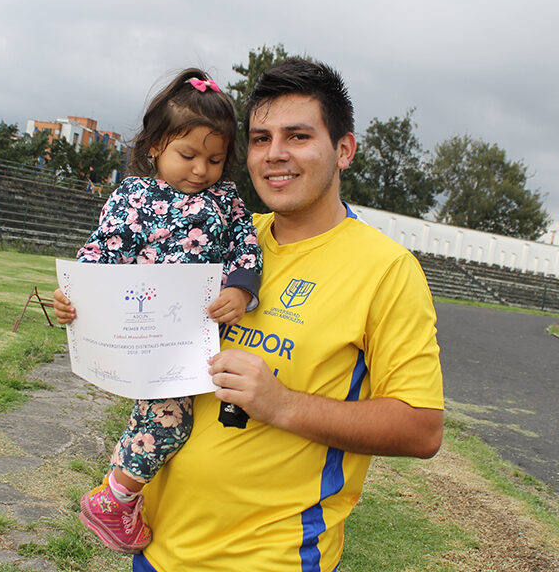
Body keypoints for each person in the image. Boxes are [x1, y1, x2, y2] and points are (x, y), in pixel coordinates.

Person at [55, 58, 443, 571]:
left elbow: (421, 429)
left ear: (343, 149)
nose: (275, 154)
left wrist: (283, 405)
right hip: (158, 549)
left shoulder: (387, 271)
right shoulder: (215, 233)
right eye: (261, 138)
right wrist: (87, 313)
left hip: (269, 560)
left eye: (298, 136)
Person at [61, 68, 263, 554]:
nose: (200, 171)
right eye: (187, 155)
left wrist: (240, 289)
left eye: (215, 160)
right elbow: (101, 255)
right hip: (146, 335)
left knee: (163, 416)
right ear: (154, 146)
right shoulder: (133, 197)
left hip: (196, 334)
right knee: (169, 420)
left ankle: (120, 494)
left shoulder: (226, 199)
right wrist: (75, 300)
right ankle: (113, 498)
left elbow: (246, 248)